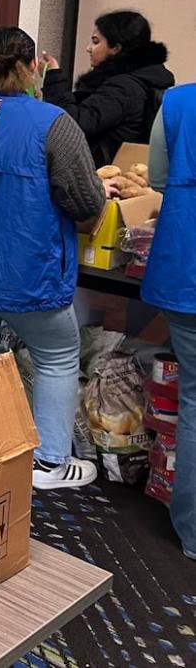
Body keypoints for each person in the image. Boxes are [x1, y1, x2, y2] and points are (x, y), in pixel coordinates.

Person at [0, 27, 107, 490]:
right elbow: (87, 203)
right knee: (56, 356)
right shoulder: (51, 123)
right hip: (29, 274)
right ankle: (50, 464)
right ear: (34, 68)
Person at [141, 81, 196, 560]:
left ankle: (193, 532)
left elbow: (158, 177)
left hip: (186, 266)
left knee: (194, 400)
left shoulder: (178, 104)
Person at [41, 10, 175, 167]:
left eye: (96, 42)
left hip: (103, 176)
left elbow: (70, 125)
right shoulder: (140, 80)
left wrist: (54, 77)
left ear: (116, 48)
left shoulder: (123, 88)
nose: (88, 48)